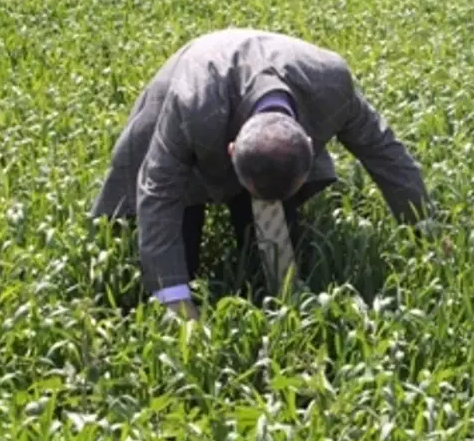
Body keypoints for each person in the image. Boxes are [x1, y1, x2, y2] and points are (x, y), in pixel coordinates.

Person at [91, 28, 432, 320]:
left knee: (272, 242)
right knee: (182, 247)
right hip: (196, 77)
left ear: (310, 146)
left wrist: (426, 231)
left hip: (275, 77)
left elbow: (385, 154)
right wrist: (175, 302)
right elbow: (158, 191)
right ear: (230, 150)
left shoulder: (331, 86)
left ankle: (255, 209)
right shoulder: (191, 106)